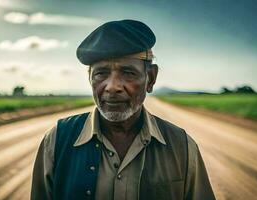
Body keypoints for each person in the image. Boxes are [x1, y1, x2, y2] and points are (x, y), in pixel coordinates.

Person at [31, 19, 215, 200]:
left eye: (128, 73)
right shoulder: (56, 140)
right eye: (101, 73)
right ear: (90, 79)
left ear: (150, 79)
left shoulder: (181, 146)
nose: (112, 87)